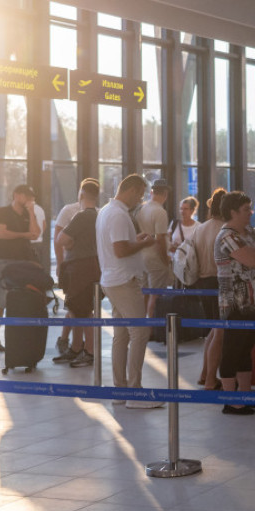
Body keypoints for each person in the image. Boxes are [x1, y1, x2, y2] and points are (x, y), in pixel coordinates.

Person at [96, 174, 163, 408]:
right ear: (132, 190)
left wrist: (136, 239)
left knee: (122, 335)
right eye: (140, 195)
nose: (140, 200)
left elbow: (120, 244)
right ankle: (135, 392)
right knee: (139, 333)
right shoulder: (118, 214)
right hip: (123, 280)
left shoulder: (106, 211)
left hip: (112, 279)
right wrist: (145, 243)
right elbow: (121, 250)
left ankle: (121, 390)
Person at [215, 191, 255, 415]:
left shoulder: (250, 231)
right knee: (232, 350)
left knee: (245, 350)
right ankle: (231, 400)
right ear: (233, 212)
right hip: (236, 304)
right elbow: (252, 260)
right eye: (245, 209)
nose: (251, 212)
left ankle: (245, 395)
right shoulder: (226, 236)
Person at [53, 182, 100, 368]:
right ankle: (76, 347)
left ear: (81, 195)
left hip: (80, 270)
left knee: (84, 311)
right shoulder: (99, 215)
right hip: (91, 267)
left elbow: (61, 239)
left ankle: (88, 351)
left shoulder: (82, 216)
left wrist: (71, 244)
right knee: (76, 309)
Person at [0, 184, 40, 352]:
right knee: (2, 299)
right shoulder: (3, 212)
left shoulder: (27, 213)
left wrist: (31, 213)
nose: (30, 200)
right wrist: (24, 235)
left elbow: (35, 233)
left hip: (24, 261)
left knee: (22, 299)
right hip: (5, 260)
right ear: (17, 195)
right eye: (27, 196)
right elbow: (1, 233)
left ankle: (18, 339)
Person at [192, 188, 227, 390]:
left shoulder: (200, 228)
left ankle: (205, 373)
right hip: (219, 281)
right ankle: (211, 378)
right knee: (220, 331)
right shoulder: (225, 229)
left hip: (202, 282)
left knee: (213, 330)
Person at [136, 178, 172, 318]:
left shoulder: (142, 208)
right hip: (155, 258)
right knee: (155, 295)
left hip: (141, 256)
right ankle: (151, 326)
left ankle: (143, 324)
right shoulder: (160, 212)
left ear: (152, 192)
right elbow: (160, 239)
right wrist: (165, 260)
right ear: (165, 194)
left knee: (145, 293)